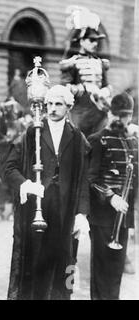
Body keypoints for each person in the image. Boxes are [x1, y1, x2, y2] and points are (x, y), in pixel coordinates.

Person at [4, 85, 90, 300]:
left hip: (65, 211)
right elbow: (9, 168)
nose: (52, 108)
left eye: (58, 104)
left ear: (68, 107)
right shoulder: (33, 131)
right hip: (36, 210)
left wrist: (82, 214)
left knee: (64, 265)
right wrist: (26, 184)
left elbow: (83, 179)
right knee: (35, 264)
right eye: (49, 104)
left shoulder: (77, 137)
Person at [87, 92, 138, 300]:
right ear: (109, 114)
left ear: (131, 116)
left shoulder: (134, 141)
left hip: (123, 218)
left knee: (116, 271)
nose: (120, 120)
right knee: (101, 269)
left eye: (124, 116)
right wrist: (111, 197)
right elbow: (90, 179)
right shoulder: (97, 140)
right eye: (117, 115)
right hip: (101, 216)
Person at [60, 7, 111, 138]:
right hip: (79, 113)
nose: (95, 44)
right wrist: (81, 88)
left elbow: (107, 85)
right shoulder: (72, 63)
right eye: (91, 40)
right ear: (82, 41)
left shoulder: (100, 63)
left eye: (97, 41)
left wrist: (105, 92)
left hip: (99, 114)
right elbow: (64, 88)